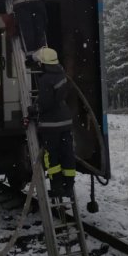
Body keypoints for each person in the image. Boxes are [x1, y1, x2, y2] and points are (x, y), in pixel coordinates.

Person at [29, 47, 76, 198]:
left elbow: (46, 102)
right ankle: (68, 186)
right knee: (67, 154)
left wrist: (34, 109)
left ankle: (56, 187)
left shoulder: (45, 80)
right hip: (65, 122)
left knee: (52, 156)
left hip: (51, 126)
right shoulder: (61, 74)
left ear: (43, 64)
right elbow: (57, 98)